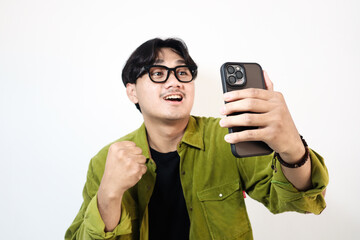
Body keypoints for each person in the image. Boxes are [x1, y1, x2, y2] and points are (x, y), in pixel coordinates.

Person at [65, 38, 328, 240]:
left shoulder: (229, 136)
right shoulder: (105, 160)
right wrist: (108, 195)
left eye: (183, 73)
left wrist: (292, 148)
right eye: (158, 74)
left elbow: (302, 200)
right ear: (132, 91)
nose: (175, 82)